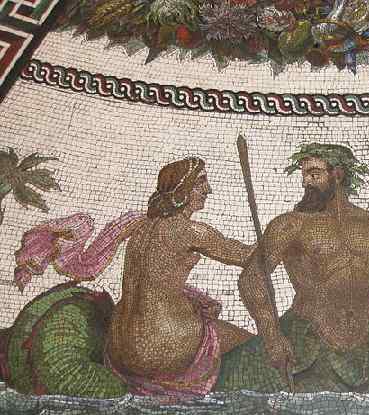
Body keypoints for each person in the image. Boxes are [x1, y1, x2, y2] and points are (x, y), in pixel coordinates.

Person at [217, 143, 369, 393]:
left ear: (337, 175)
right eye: (304, 175)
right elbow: (252, 278)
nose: (306, 182)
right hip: (306, 346)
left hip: (367, 349)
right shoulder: (290, 225)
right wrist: (272, 338)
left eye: (314, 174)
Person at [10, 157, 255, 399]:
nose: (208, 190)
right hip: (163, 345)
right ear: (183, 190)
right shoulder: (191, 231)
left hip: (119, 351)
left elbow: (89, 262)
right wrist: (275, 232)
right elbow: (247, 256)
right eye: (201, 182)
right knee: (253, 345)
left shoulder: (135, 224)